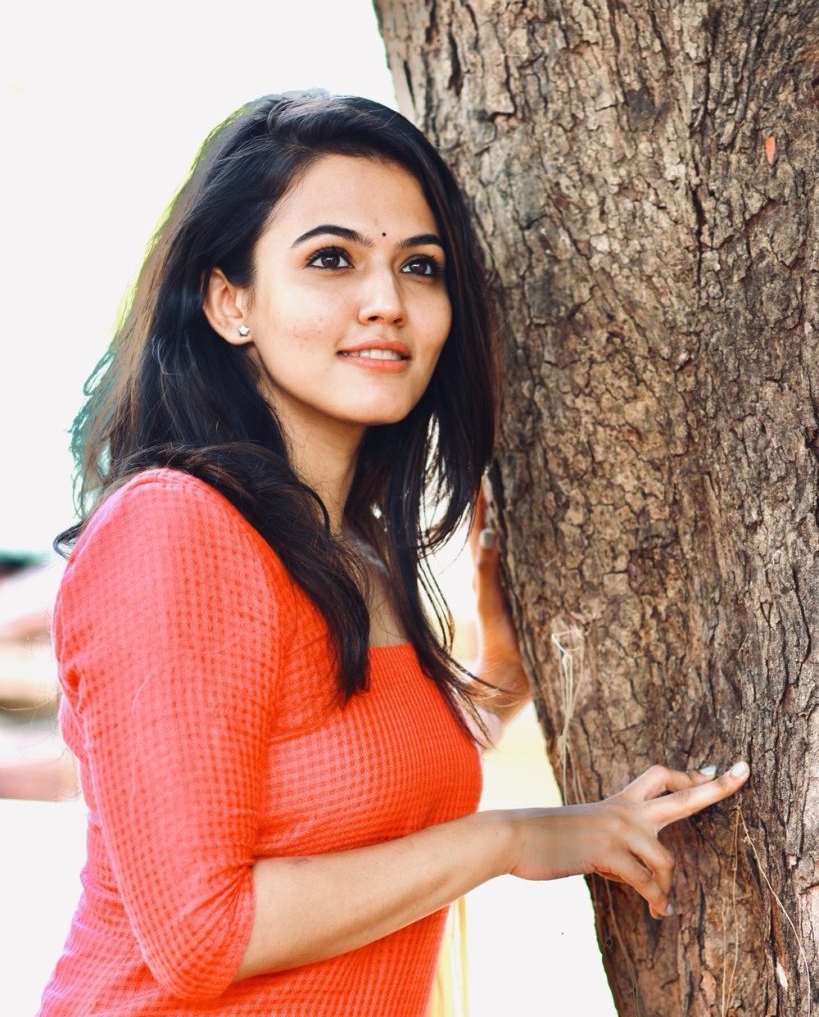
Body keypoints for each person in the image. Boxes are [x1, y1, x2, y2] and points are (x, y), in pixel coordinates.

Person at [38, 92, 749, 1017]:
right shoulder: (176, 530)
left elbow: (341, 794)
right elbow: (203, 934)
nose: (387, 303)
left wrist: (495, 677)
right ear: (229, 301)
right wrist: (514, 840)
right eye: (330, 259)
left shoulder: (352, 555)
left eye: (420, 267)